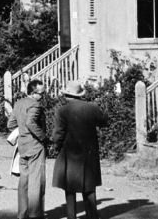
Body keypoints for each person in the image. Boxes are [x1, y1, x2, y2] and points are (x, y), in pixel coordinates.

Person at [51, 80, 108, 219]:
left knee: (70, 188)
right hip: (89, 152)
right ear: (80, 94)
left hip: (69, 152)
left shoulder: (62, 110)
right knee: (89, 187)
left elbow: (58, 133)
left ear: (66, 95)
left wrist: (55, 147)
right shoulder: (92, 108)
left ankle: (72, 217)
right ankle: (92, 216)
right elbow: (104, 122)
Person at [8, 78, 48, 219]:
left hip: (22, 146)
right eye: (41, 93)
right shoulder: (35, 105)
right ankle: (35, 215)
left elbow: (10, 123)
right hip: (35, 146)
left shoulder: (19, 103)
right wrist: (43, 137)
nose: (42, 96)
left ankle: (22, 214)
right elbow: (31, 123)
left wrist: (22, 131)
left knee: (23, 181)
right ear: (33, 92)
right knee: (36, 183)